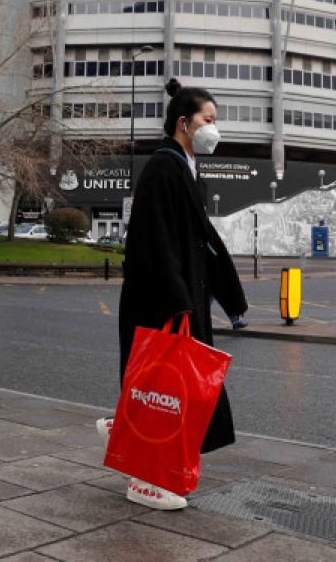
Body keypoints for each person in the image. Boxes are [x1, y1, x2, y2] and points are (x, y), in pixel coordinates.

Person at [98, 79, 248, 510]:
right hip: (164, 301)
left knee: (171, 391)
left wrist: (231, 299)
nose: (214, 129)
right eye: (209, 119)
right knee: (171, 392)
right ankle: (145, 478)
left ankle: (133, 435)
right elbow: (155, 242)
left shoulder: (182, 167)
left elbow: (203, 240)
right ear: (185, 123)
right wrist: (178, 301)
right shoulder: (165, 168)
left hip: (176, 298)